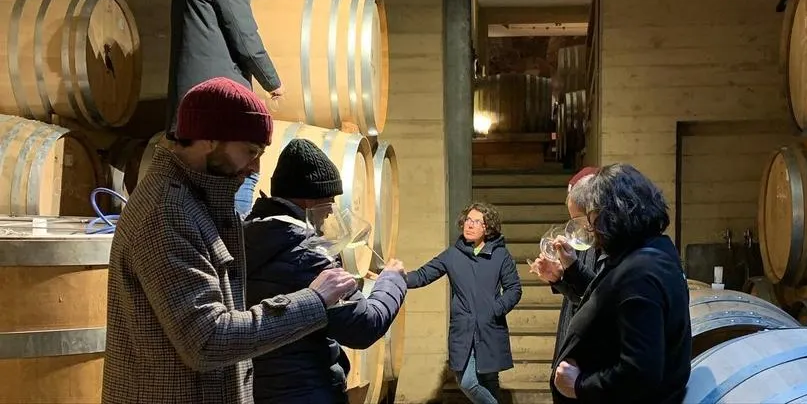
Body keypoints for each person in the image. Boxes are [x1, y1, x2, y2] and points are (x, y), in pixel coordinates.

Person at [102, 77, 356, 404]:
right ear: (209, 138)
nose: (255, 168)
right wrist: (314, 300)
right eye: (250, 151)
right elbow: (208, 340)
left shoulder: (197, 201)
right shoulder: (167, 212)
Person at [243, 138, 407, 403]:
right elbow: (364, 326)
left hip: (260, 391)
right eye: (329, 204)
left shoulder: (249, 234)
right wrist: (392, 280)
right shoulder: (307, 254)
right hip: (306, 391)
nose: (330, 215)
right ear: (310, 201)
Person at [165, 0, 283, 218]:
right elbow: (244, 36)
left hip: (190, 109)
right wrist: (272, 81)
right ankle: (234, 235)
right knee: (243, 173)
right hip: (220, 104)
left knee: (196, 193)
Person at [550, 164, 691, 404]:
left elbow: (640, 373)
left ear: (613, 214)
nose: (590, 227)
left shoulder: (641, 272)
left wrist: (580, 385)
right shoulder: (643, 254)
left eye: (591, 216)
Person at [406, 202, 522, 404]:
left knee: (490, 382)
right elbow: (422, 275)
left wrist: (495, 309)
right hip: (463, 329)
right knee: (467, 382)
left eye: (476, 221)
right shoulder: (453, 254)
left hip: (490, 328)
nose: (469, 225)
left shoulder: (500, 255)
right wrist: (395, 277)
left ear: (488, 227)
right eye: (468, 220)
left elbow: (514, 289)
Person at [529, 167, 600, 362]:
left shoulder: (605, 244)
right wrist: (558, 279)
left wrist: (572, 267)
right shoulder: (585, 238)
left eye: (577, 218)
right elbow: (580, 297)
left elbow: (597, 298)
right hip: (574, 337)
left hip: (590, 350)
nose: (576, 225)